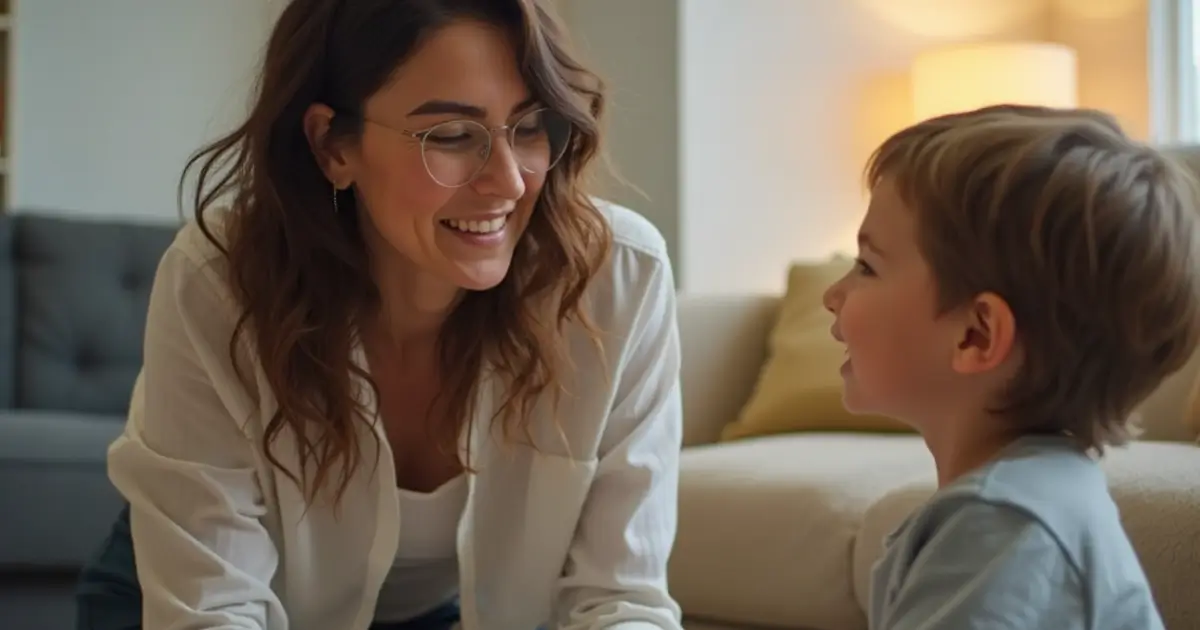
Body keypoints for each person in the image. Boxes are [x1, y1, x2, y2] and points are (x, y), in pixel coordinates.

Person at [73, 1, 684, 629]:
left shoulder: (616, 280)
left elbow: (621, 600)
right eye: (451, 136)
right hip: (177, 592)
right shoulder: (221, 281)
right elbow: (210, 611)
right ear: (332, 145)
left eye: (531, 127)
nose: (508, 181)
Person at [823, 104, 1200, 630]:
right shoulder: (1028, 499)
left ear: (977, 335)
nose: (832, 294)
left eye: (867, 266)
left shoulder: (1001, 526)